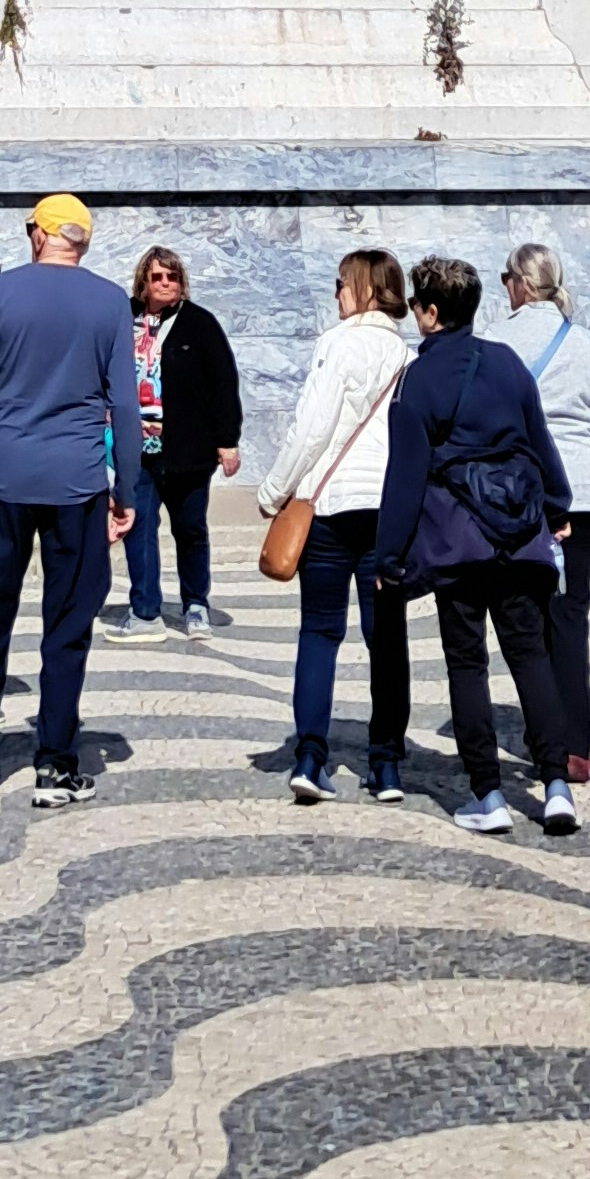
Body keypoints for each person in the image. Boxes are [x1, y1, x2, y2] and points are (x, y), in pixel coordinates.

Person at [0, 194, 143, 811]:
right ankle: (54, 763)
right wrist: (126, 489)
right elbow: (126, 406)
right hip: (77, 481)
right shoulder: (111, 301)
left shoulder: (3, 293)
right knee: (66, 625)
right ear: (80, 242)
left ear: (39, 235)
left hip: (6, 474)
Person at [371, 253, 576, 838]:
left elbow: (404, 476)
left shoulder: (418, 378)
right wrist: (556, 508)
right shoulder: (508, 362)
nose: (412, 313)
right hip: (519, 533)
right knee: (530, 655)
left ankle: (488, 794)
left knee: (467, 664)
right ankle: (556, 785)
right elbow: (540, 443)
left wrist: (389, 556)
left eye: (415, 304)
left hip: (459, 542)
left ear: (430, 313)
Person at [252, 248, 412, 802]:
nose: (335, 293)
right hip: (386, 510)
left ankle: (310, 756)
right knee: (385, 639)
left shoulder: (337, 344)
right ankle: (386, 763)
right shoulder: (406, 354)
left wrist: (274, 491)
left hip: (330, 504)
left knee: (319, 632)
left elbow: (312, 428)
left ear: (365, 288)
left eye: (341, 283)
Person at [498, 244, 590, 784]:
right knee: (572, 614)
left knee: (531, 615)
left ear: (520, 285)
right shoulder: (588, 344)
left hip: (526, 493)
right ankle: (576, 744)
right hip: (587, 492)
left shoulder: (498, 341)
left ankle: (547, 738)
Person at [110, 247, 241, 640]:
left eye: (172, 277)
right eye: (157, 277)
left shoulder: (199, 323)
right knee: (139, 529)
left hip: (188, 451)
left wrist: (227, 440)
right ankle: (145, 610)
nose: (165, 283)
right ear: (143, 283)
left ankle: (196, 605)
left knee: (190, 530)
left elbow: (223, 383)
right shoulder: (124, 320)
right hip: (138, 451)